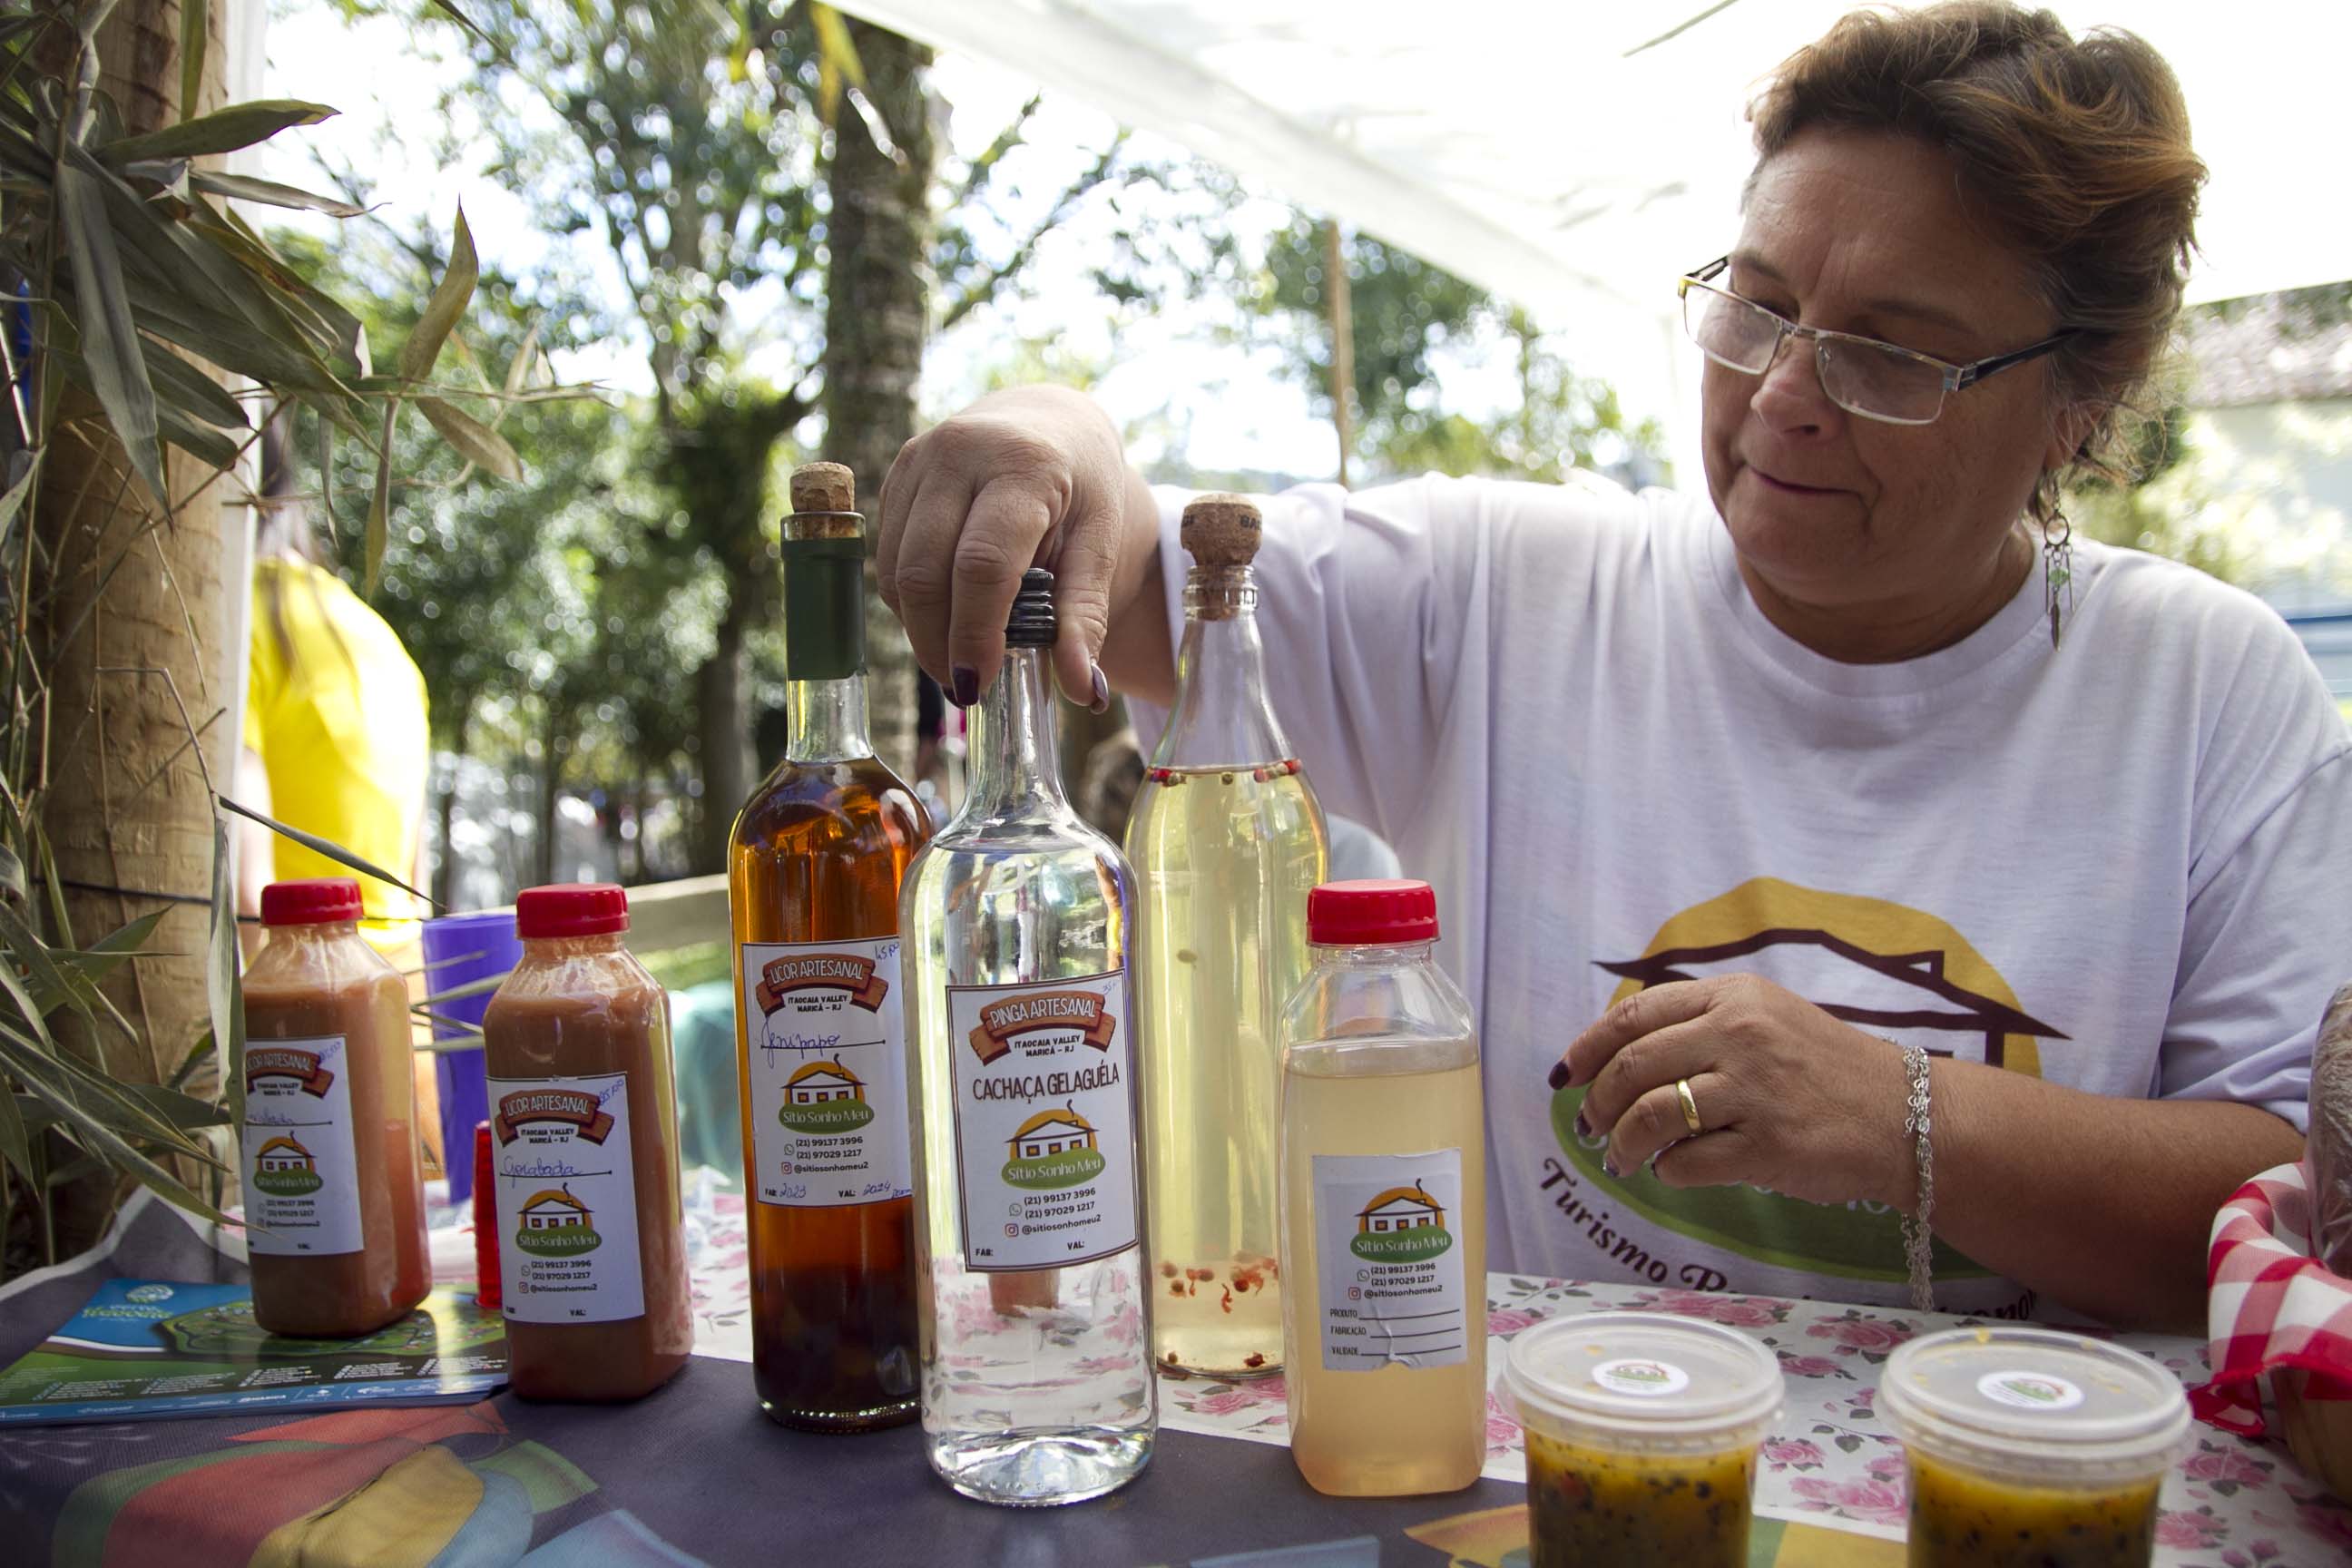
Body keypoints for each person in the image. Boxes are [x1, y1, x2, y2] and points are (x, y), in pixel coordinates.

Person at [874, 3, 2352, 1331]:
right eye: (1757, 305)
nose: (1783, 397)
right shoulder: (1503, 592)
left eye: (1889, 356)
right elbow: (1147, 585)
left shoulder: (2206, 690)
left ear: (2075, 409)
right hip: (1552, 1473)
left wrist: (1901, 1117)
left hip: (2013, 1482)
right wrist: (1050, 429)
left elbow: (2295, 1201)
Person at [235, 408, 440, 1165]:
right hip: (407, 1038)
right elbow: (414, 885)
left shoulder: (234, 625)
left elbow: (247, 892)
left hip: (303, 1055)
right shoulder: (381, 640)